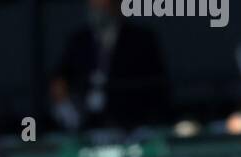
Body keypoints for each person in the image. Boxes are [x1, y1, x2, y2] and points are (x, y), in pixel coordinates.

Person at [50, 0, 170, 132]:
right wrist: (67, 109)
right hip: (87, 126)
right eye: (94, 5)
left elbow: (158, 89)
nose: (98, 9)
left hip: (130, 125)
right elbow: (60, 79)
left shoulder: (141, 39)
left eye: (103, 5)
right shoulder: (79, 41)